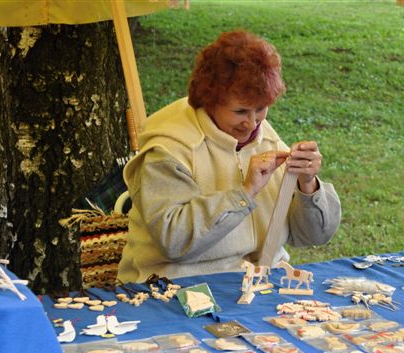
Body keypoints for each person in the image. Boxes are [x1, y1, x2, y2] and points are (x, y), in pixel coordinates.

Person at [117, 30, 341, 281]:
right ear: (209, 101)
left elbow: (312, 237)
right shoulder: (169, 149)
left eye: (260, 109)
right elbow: (175, 241)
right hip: (178, 284)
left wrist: (307, 186)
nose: (252, 123)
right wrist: (245, 193)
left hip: (261, 280)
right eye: (240, 112)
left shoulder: (265, 137)